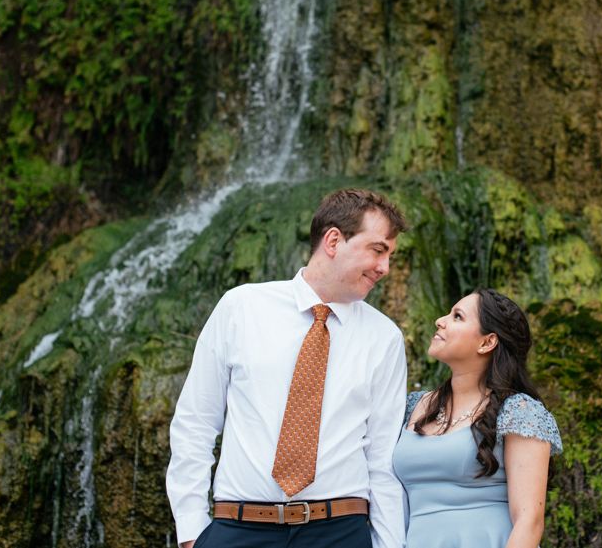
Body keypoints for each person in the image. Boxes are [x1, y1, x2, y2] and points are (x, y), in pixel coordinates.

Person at [166, 189, 410, 548]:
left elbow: (384, 457)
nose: (385, 268)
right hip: (238, 528)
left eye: (389, 255)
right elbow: (195, 422)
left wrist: (389, 545)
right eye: (378, 250)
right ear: (332, 240)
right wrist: (190, 532)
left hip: (340, 531)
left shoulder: (385, 337)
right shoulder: (241, 307)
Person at [393, 288, 563, 548]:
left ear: (487, 342)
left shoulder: (519, 412)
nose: (440, 320)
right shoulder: (413, 407)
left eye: (457, 316)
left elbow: (529, 523)